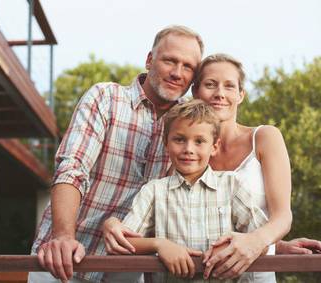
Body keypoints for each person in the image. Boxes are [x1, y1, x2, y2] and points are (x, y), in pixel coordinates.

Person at [104, 53, 321, 280]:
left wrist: (264, 243)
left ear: (241, 95)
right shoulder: (180, 161)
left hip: (252, 270)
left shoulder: (264, 137)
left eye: (229, 86)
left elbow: (281, 217)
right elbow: (170, 220)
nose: (220, 93)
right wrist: (113, 224)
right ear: (196, 92)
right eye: (210, 84)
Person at [28, 25, 203, 283]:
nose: (178, 73)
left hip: (126, 271)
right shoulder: (106, 98)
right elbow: (72, 167)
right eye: (170, 61)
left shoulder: (188, 125)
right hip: (65, 260)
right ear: (149, 60)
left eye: (188, 67)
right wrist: (63, 236)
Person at [103, 99, 269, 282]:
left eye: (199, 141)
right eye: (179, 139)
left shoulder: (232, 185)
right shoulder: (154, 191)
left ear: (214, 146)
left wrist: (233, 246)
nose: (188, 149)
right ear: (166, 143)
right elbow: (126, 241)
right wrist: (160, 245)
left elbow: (260, 241)